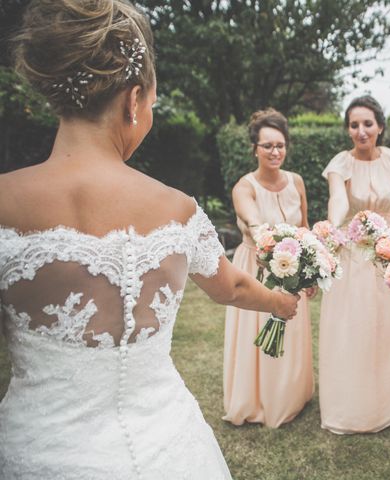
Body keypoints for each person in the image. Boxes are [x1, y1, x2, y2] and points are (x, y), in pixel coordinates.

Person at [0, 1, 298, 478]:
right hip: (169, 449)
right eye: (153, 105)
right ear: (134, 99)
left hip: (37, 450)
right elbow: (232, 288)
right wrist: (280, 304)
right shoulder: (177, 208)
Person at [319, 95, 390, 433]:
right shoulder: (339, 163)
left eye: (367, 124)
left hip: (387, 254)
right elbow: (337, 199)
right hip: (352, 255)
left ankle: (386, 405)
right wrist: (333, 224)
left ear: (380, 127)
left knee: (384, 329)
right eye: (354, 125)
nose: (361, 131)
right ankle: (349, 407)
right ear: (347, 129)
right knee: (351, 330)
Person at [223, 109, 314, 428]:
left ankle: (289, 395)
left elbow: (304, 227)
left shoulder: (297, 182)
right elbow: (251, 218)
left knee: (289, 330)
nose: (274, 152)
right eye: (267, 146)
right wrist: (263, 236)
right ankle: (258, 400)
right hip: (255, 269)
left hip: (293, 273)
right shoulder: (243, 187)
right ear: (255, 149)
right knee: (255, 333)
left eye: (280, 145)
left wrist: (312, 270)